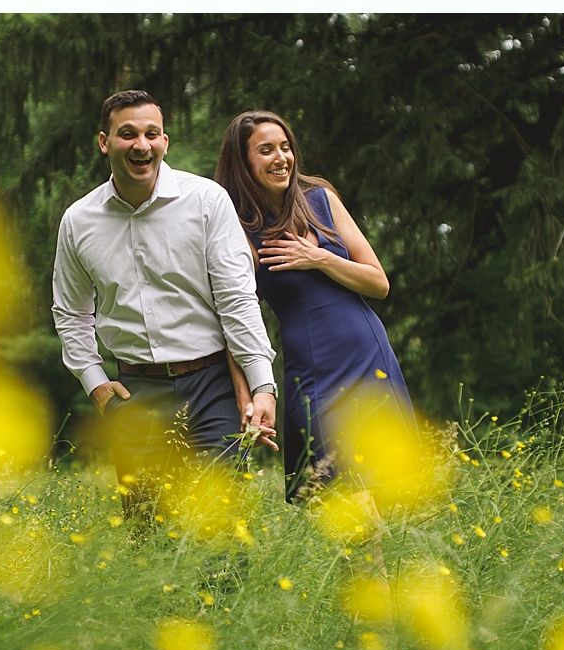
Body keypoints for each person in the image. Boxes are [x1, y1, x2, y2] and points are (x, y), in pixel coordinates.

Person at [52, 91, 278, 488]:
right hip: (134, 393)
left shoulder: (206, 200)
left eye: (151, 134)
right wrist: (95, 384)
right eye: (128, 134)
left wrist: (262, 386)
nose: (141, 145)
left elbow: (237, 298)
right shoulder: (78, 221)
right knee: (147, 531)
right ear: (104, 142)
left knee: (223, 523)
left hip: (213, 388)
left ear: (165, 142)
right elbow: (71, 312)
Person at [214, 110, 414, 502]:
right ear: (243, 162)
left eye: (285, 147)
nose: (281, 158)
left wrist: (319, 258)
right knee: (336, 490)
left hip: (366, 353)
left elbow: (379, 282)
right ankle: (366, 566)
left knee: (384, 486)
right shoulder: (237, 226)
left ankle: (380, 565)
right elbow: (231, 315)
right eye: (266, 150)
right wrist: (248, 393)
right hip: (312, 369)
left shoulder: (320, 199)